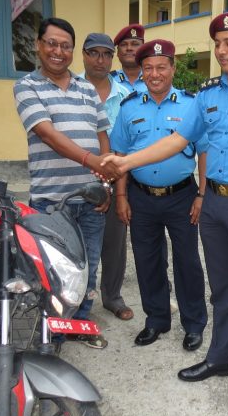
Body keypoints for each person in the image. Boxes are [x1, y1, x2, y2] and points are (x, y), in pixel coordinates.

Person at [103, 12, 228, 396]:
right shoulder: (208, 94)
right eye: (217, 44)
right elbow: (177, 140)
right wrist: (126, 162)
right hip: (213, 203)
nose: (221, 51)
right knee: (221, 287)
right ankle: (220, 357)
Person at [13, 18, 120, 349]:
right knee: (52, 270)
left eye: (65, 46)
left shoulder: (87, 89)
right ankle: (53, 332)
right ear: (38, 45)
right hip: (51, 200)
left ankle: (80, 323)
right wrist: (91, 162)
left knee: (87, 267)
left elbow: (102, 135)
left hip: (90, 198)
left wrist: (105, 184)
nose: (58, 51)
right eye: (52, 44)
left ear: (73, 50)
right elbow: (47, 134)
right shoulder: (27, 87)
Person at [111, 39, 208, 350]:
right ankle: (156, 319)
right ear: (141, 71)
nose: (155, 74)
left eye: (161, 67)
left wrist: (202, 195)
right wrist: (121, 197)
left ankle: (193, 323)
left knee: (187, 262)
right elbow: (119, 153)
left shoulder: (191, 105)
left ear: (173, 68)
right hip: (140, 197)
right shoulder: (129, 107)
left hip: (182, 196)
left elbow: (204, 151)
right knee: (147, 261)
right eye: (148, 68)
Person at [81, 32, 135, 322]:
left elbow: (130, 142)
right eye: (94, 53)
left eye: (106, 54)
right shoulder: (72, 88)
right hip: (77, 177)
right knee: (76, 244)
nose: (100, 60)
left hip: (117, 178)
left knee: (114, 243)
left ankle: (112, 296)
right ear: (84, 55)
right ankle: (77, 299)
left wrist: (113, 182)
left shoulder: (126, 96)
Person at [111, 24, 147, 94]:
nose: (129, 48)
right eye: (124, 44)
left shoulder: (154, 79)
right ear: (118, 52)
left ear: (143, 50)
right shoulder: (107, 81)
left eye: (135, 44)